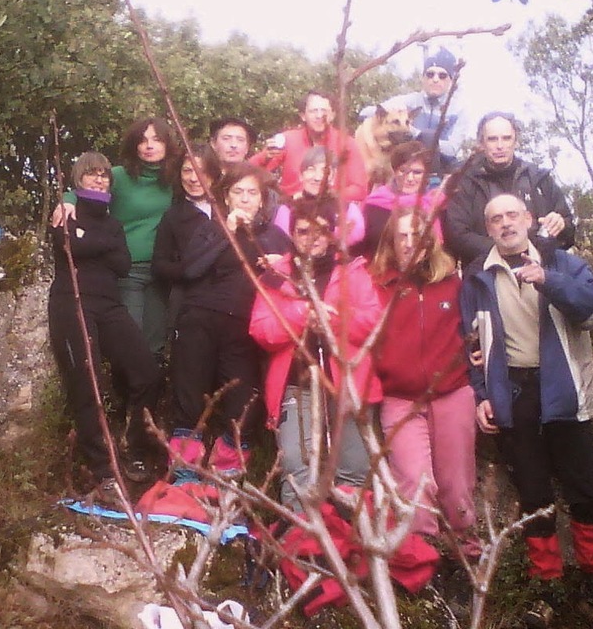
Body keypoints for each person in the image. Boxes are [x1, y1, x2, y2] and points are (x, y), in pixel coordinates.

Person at [459, 194, 593, 629]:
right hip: (513, 394)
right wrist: (481, 395)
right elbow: (470, 342)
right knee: (534, 497)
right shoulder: (477, 276)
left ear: (529, 219)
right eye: (496, 219)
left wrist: (548, 280)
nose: (505, 224)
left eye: (512, 215)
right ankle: (546, 594)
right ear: (488, 229)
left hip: (563, 389)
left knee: (585, 494)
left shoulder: (562, 263)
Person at [250, 196, 383, 511]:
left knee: (355, 469)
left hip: (348, 383)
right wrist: (302, 316)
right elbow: (261, 330)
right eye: (303, 231)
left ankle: (351, 535)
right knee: (297, 467)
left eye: (321, 230)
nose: (312, 239)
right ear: (292, 234)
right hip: (297, 384)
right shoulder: (276, 274)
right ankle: (300, 536)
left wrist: (332, 320)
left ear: (333, 233)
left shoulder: (353, 270)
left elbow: (373, 322)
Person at [47, 152, 163, 504]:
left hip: (109, 304)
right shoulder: (66, 212)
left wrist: (88, 243)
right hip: (71, 303)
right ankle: (102, 471)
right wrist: (93, 244)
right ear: (78, 179)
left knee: (147, 372)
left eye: (104, 175)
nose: (99, 180)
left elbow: (123, 264)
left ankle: (135, 447)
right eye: (91, 174)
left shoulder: (112, 223)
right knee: (87, 383)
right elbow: (69, 246)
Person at [167, 162, 293, 480]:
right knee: (189, 398)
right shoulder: (211, 228)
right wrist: (229, 232)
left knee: (246, 405)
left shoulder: (275, 236)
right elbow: (191, 269)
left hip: (244, 327)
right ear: (226, 197)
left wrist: (280, 268)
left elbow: (293, 283)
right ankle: (185, 474)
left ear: (262, 200)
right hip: (199, 319)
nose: (245, 199)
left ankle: (226, 473)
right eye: (238, 192)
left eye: (252, 193)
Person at [371, 205, 480, 559]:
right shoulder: (377, 286)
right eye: (401, 236)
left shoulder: (453, 283)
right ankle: (422, 556)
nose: (408, 242)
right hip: (399, 397)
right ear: (390, 242)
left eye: (416, 235)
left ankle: (467, 552)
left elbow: (479, 326)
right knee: (415, 483)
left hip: (452, 391)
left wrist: (478, 355)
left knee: (456, 482)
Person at [54, 118, 180, 358]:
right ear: (134, 145)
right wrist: (67, 201)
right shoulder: (120, 176)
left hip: (161, 271)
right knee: (130, 340)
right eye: (142, 140)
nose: (149, 146)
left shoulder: (175, 180)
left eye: (156, 140)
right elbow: (86, 187)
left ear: (168, 144)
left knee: (155, 342)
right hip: (128, 270)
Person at [443, 111, 575, 266]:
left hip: (541, 270)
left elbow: (569, 233)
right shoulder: (464, 181)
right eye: (492, 139)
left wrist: (561, 225)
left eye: (506, 138)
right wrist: (511, 252)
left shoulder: (539, 179)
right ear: (481, 143)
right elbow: (457, 236)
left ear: (516, 141)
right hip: (485, 273)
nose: (500, 146)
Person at [359, 46, 466, 170]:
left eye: (442, 76)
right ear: (423, 78)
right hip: (409, 165)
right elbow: (365, 113)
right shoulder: (409, 101)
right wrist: (390, 112)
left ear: (451, 80)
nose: (435, 79)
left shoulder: (459, 111)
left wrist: (417, 135)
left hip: (442, 167)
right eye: (430, 74)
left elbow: (452, 149)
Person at [152, 145, 223, 330]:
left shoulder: (227, 209)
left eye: (202, 171)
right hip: (190, 301)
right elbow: (159, 265)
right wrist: (186, 271)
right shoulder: (173, 216)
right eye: (187, 171)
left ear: (214, 173)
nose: (193, 178)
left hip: (228, 299)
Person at [254, 90, 368, 202]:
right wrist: (265, 157)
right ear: (303, 116)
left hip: (331, 208)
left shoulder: (346, 143)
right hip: (292, 206)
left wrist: (327, 197)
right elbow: (249, 172)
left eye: (324, 111)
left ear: (332, 115)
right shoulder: (288, 140)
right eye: (313, 111)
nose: (319, 116)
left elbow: (359, 190)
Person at [354, 141, 444, 260]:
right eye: (403, 171)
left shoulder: (435, 204)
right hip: (379, 268)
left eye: (417, 172)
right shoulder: (374, 204)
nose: (410, 178)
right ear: (394, 171)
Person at [272, 145, 365, 248]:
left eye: (325, 171)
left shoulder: (347, 209)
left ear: (333, 176)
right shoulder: (288, 208)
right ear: (301, 175)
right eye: (311, 169)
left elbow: (356, 236)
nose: (317, 177)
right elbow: (282, 241)